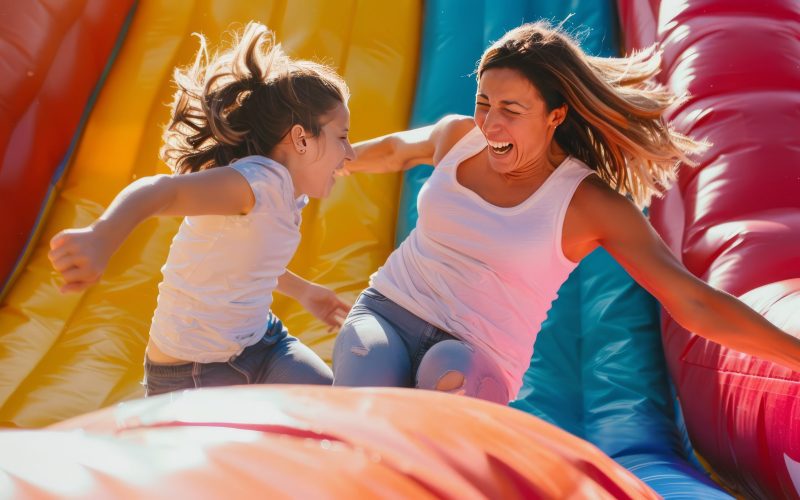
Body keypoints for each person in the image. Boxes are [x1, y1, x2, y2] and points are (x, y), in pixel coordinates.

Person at [332, 21, 800, 404]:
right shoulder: (457, 138)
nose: (490, 122)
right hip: (388, 310)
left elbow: (692, 302)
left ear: (555, 116)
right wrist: (325, 158)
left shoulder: (585, 202)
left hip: (477, 351)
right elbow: (395, 151)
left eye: (510, 110)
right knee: (364, 379)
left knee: (447, 378)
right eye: (483, 102)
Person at [48, 22, 354, 396]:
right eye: (342, 137)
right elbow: (161, 191)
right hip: (194, 371)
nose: (350, 154)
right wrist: (102, 235)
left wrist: (304, 291)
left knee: (337, 409)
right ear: (301, 139)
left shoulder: (289, 192)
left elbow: (247, 263)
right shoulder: (254, 183)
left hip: (262, 345)